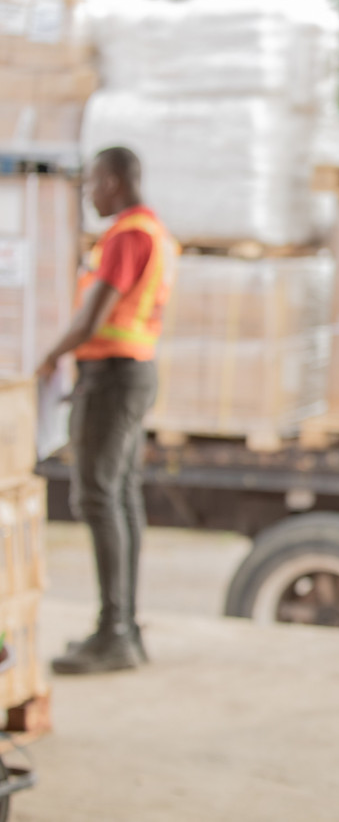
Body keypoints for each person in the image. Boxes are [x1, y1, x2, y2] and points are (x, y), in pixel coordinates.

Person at [38, 146, 179, 675]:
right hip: (132, 371)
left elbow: (92, 317)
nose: (89, 192)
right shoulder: (155, 231)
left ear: (116, 181)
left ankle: (113, 632)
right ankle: (124, 628)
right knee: (118, 496)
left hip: (114, 376)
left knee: (98, 496)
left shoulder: (127, 234)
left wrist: (49, 356)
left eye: (94, 182)